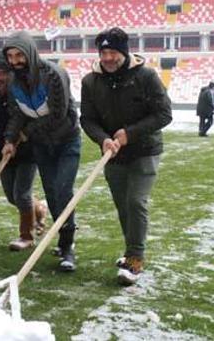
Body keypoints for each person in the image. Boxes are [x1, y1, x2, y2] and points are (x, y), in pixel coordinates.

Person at [80, 27, 172, 285]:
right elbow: (87, 119)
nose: (108, 58)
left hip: (144, 150)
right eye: (103, 53)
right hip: (112, 153)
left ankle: (135, 258)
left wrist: (129, 134)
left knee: (136, 202)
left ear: (124, 52)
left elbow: (164, 114)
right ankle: (131, 250)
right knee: (123, 206)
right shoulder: (90, 81)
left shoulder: (146, 76)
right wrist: (103, 139)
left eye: (113, 53)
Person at [1, 31, 81, 272]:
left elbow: (58, 114)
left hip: (66, 141)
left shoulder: (53, 75)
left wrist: (26, 133)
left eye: (19, 55)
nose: (15, 61)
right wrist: (9, 139)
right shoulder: (14, 82)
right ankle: (62, 237)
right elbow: (16, 115)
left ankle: (68, 248)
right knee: (51, 193)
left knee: (63, 190)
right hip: (41, 146)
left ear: (30, 53)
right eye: (11, 57)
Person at [0, 51, 47, 251]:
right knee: (12, 196)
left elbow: (21, 122)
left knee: (21, 194)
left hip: (26, 150)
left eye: (3, 73)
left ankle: (27, 235)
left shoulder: (20, 94)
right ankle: (39, 210)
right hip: (2, 151)